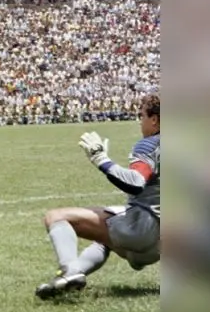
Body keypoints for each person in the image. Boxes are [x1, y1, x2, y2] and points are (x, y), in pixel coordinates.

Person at [34, 93, 160, 299]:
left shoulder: (149, 145)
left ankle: (70, 271)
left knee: (56, 217)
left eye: (142, 116)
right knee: (103, 237)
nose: (140, 121)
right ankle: (71, 276)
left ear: (154, 119)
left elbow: (135, 183)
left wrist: (101, 160)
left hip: (141, 231)